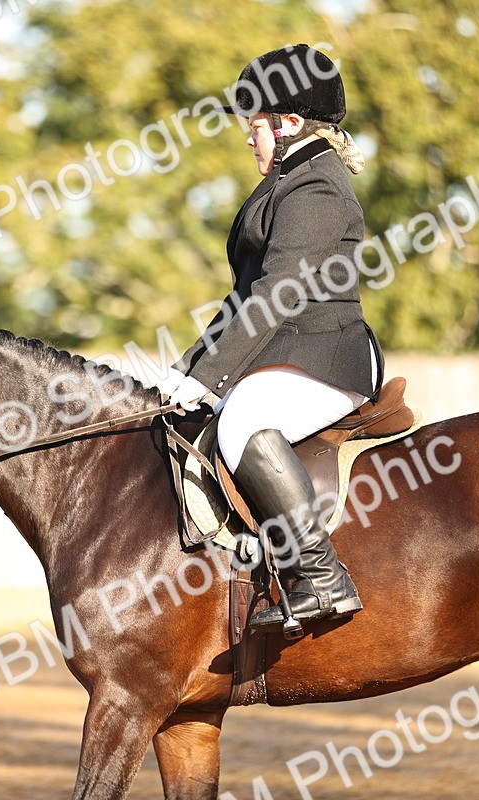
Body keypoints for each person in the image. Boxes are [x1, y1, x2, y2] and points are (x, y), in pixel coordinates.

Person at [162, 44, 383, 631]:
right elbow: (244, 295)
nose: (248, 136)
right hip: (289, 351)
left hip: (326, 355)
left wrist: (211, 381)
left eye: (254, 124)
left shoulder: (316, 190)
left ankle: (321, 576)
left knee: (242, 423)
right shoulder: (288, 179)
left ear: (288, 124)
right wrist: (188, 370)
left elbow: (277, 296)